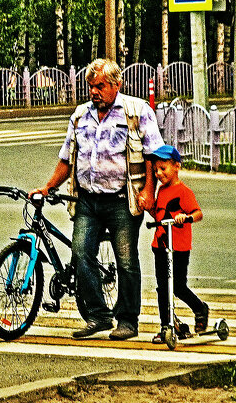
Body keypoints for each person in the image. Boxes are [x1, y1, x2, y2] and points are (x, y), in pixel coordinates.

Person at [32, 58, 164, 340]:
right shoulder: (80, 115)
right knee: (80, 253)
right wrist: (48, 187)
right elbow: (67, 158)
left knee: (126, 260)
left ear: (117, 85)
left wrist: (148, 191)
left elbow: (154, 154)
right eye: (91, 86)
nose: (94, 91)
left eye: (100, 86)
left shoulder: (137, 111)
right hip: (87, 200)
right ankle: (98, 316)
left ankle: (127, 320)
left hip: (121, 199)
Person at [146, 144, 208, 343]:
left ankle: (200, 308)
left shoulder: (184, 192)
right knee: (162, 287)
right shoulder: (161, 190)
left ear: (177, 166)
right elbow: (159, 214)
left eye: (163, 169)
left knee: (178, 286)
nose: (158, 173)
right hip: (161, 245)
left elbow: (198, 214)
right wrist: (148, 208)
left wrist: (185, 217)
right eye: (156, 169)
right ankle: (167, 326)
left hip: (179, 247)